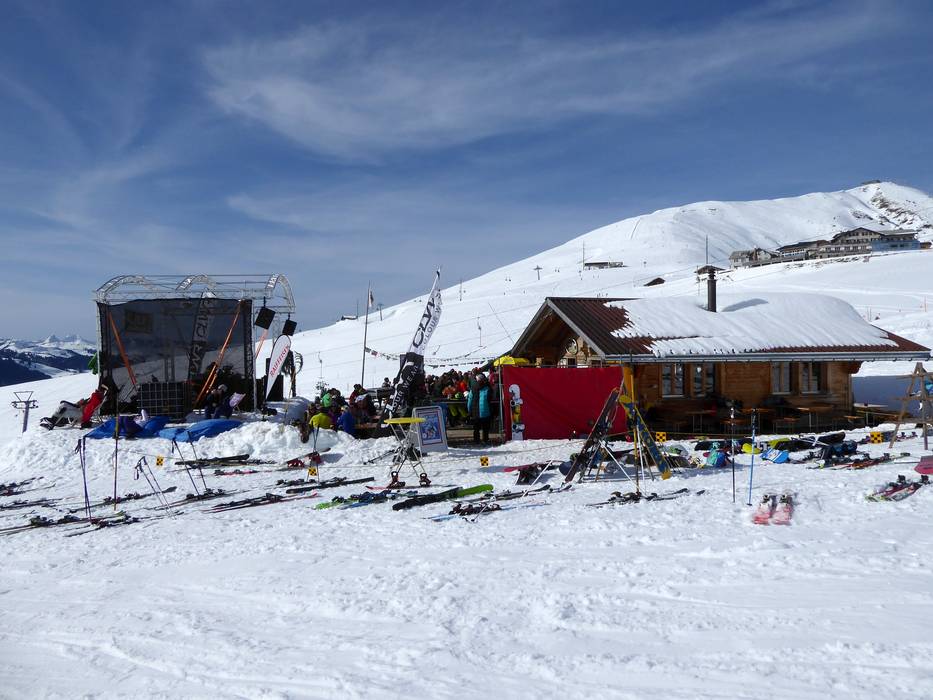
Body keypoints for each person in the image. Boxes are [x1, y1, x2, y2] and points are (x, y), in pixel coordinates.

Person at [466, 373, 492, 445]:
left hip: (475, 411)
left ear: (476, 380)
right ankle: (485, 440)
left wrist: (469, 410)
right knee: (485, 428)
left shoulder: (473, 388)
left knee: (476, 428)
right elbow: (490, 399)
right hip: (485, 410)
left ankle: (476, 441)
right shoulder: (487, 388)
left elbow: (470, 400)